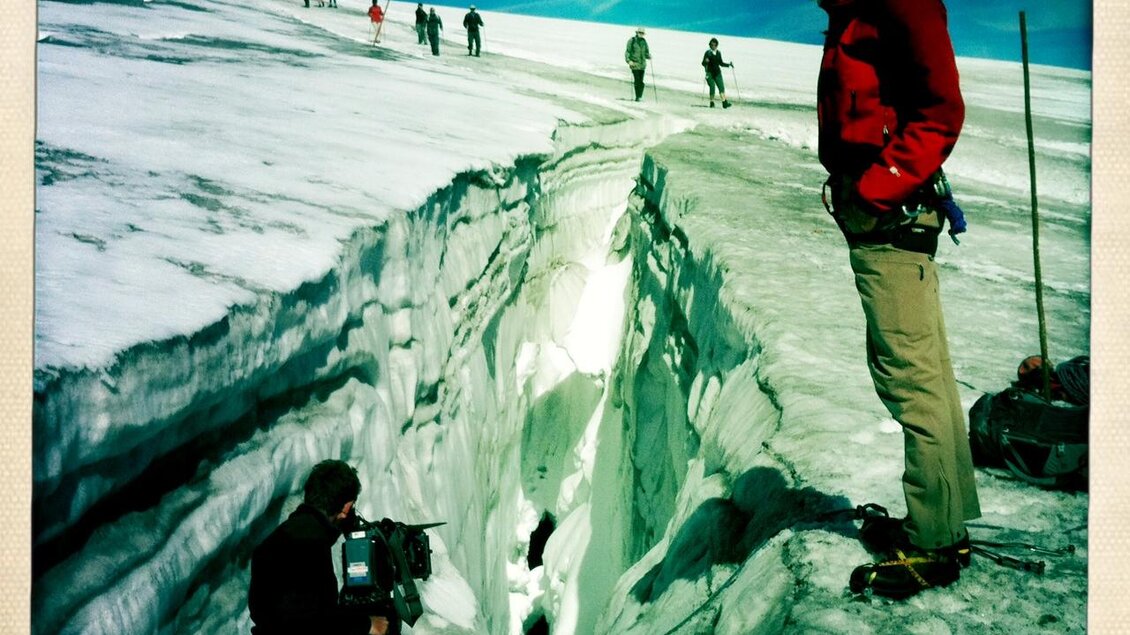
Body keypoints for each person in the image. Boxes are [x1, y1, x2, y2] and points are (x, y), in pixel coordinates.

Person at [816, 0, 981, 600]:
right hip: (886, 217)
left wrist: (876, 188)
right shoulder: (855, 9)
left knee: (909, 378)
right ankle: (946, 521)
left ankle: (933, 543)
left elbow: (941, 111)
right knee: (927, 374)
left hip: (891, 219)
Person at [248, 460, 390, 634]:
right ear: (346, 507)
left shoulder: (275, 540)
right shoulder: (312, 545)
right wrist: (367, 625)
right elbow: (314, 618)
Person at [701, 37, 732, 109]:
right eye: (711, 45)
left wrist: (728, 65)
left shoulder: (718, 53)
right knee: (712, 86)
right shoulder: (708, 53)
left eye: (714, 45)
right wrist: (706, 61)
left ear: (717, 45)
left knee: (721, 88)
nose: (713, 46)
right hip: (709, 73)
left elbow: (720, 63)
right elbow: (703, 63)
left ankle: (724, 103)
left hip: (717, 73)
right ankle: (711, 102)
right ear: (709, 45)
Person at [624, 27, 650, 102]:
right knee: (637, 81)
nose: (641, 34)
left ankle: (639, 96)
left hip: (642, 65)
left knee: (641, 82)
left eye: (642, 33)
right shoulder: (632, 41)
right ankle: (638, 97)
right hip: (634, 64)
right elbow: (627, 52)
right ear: (637, 33)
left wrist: (648, 56)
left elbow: (646, 52)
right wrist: (629, 61)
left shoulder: (644, 41)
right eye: (640, 33)